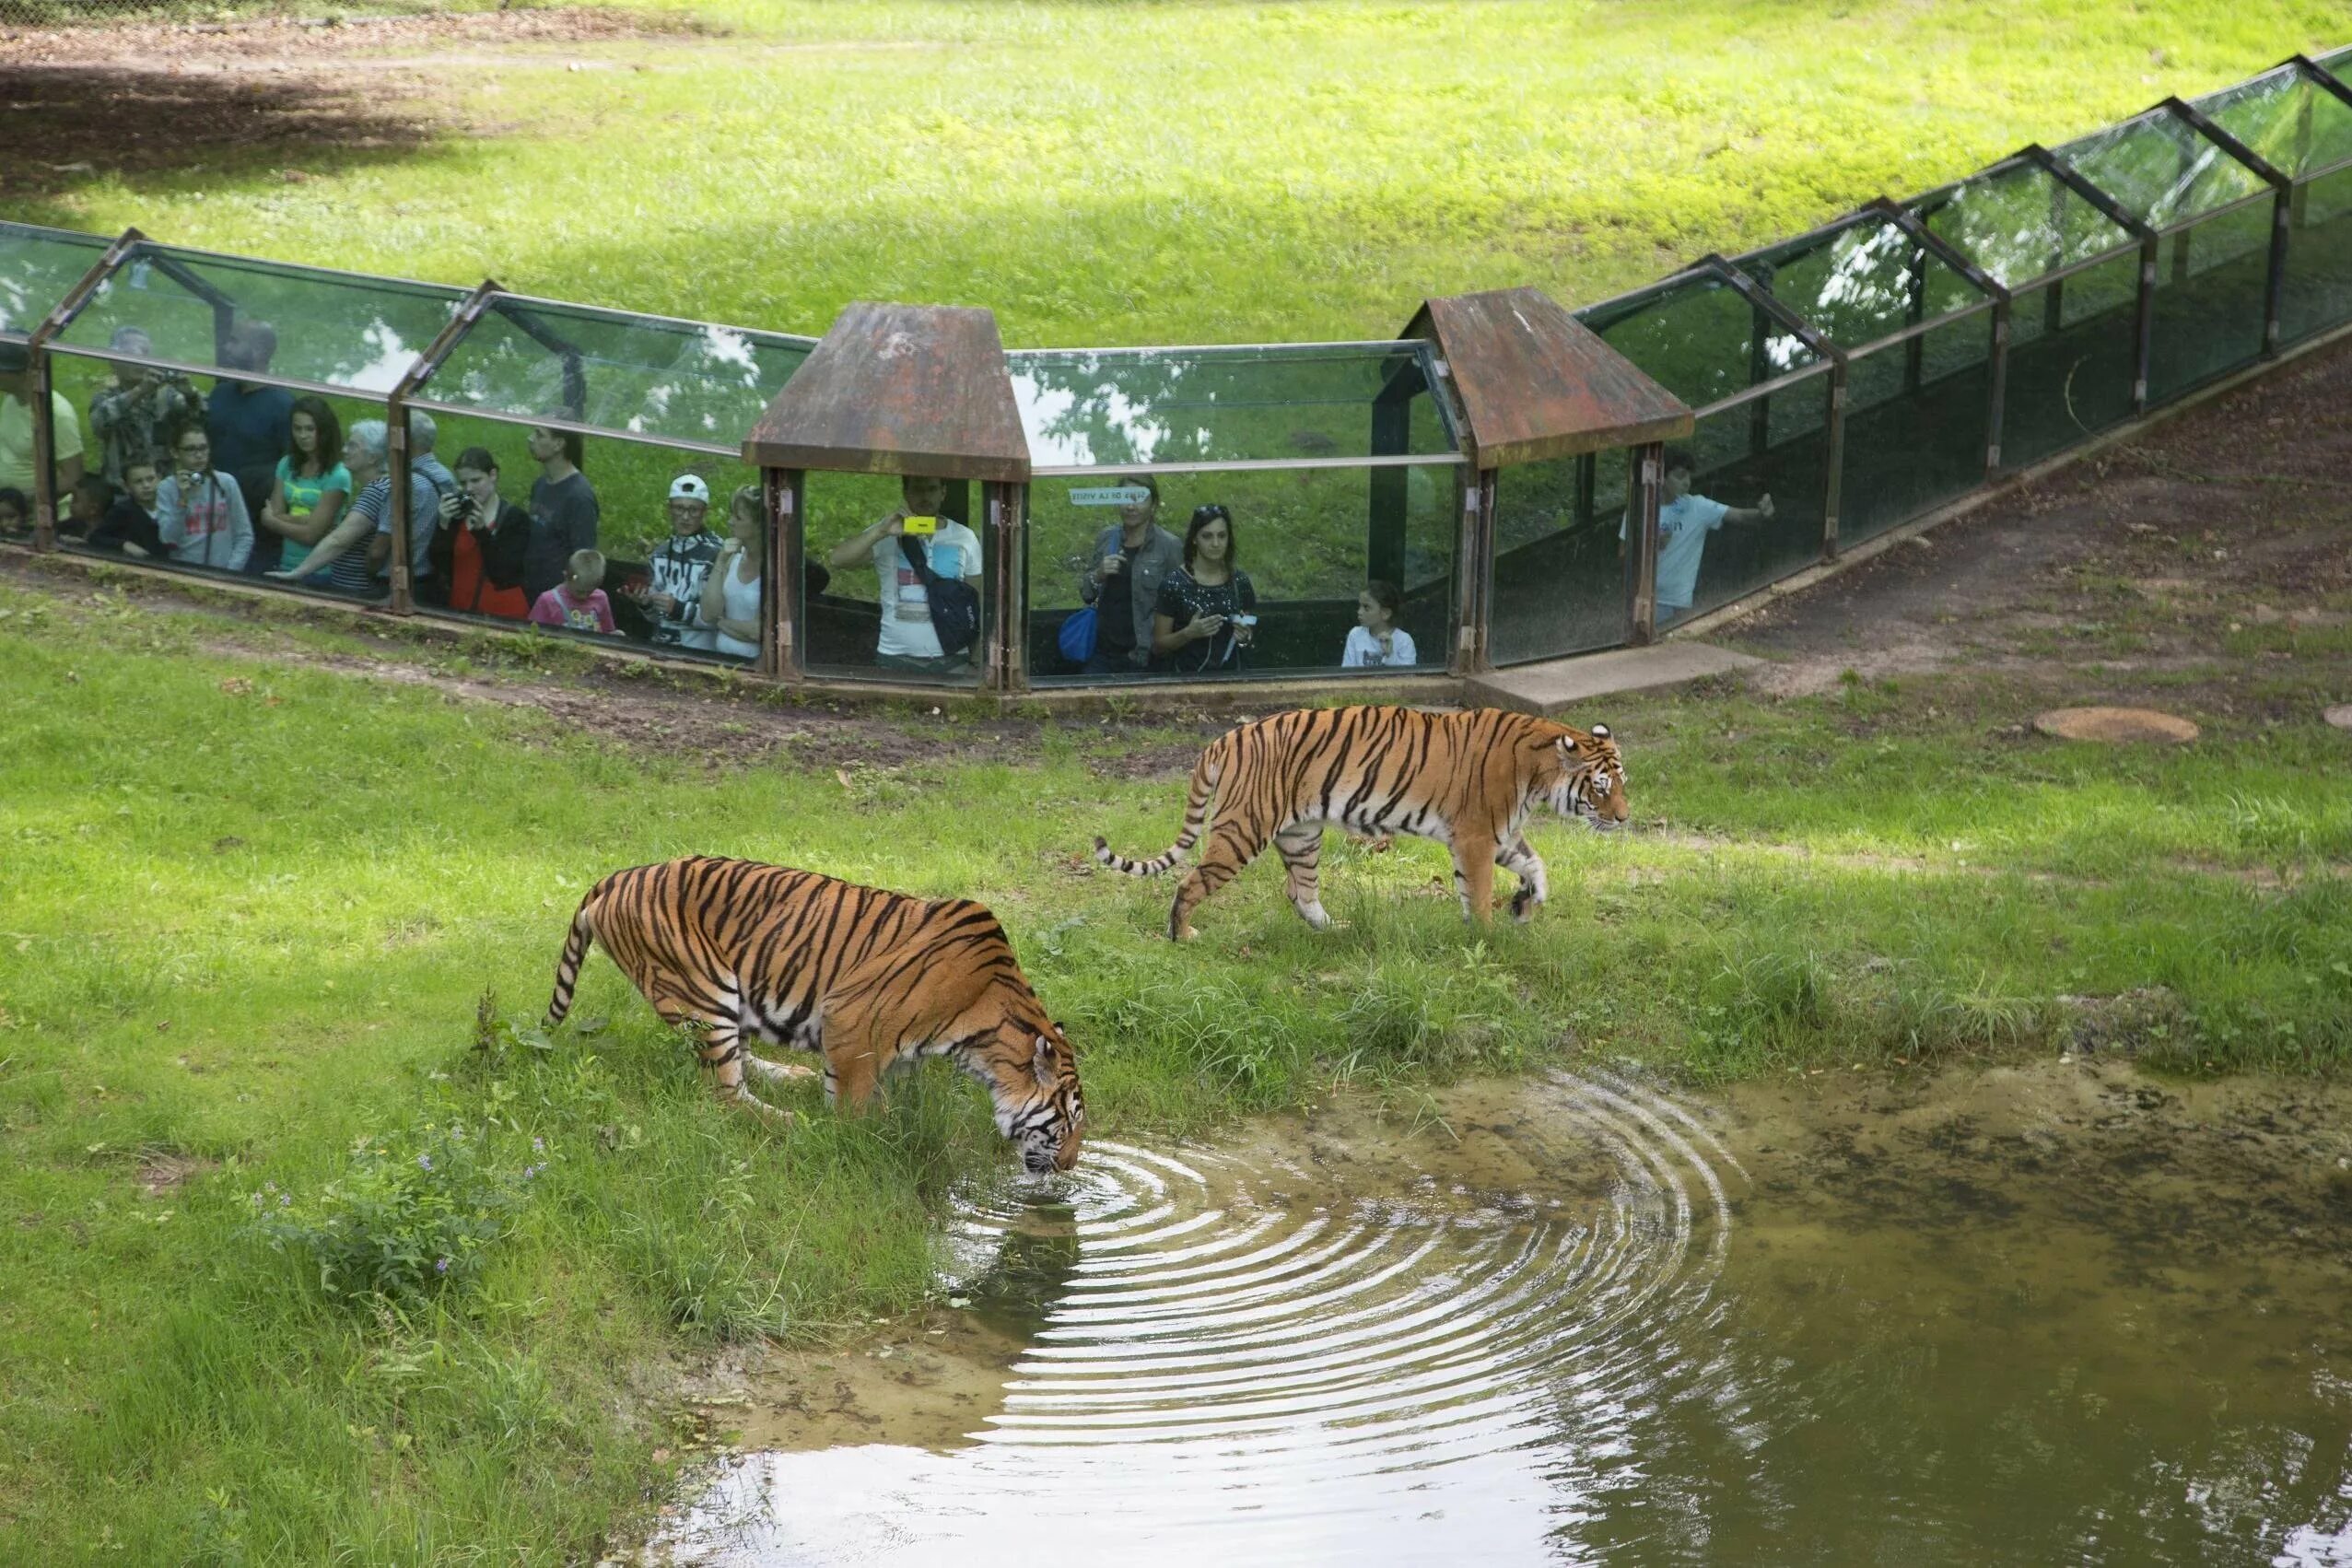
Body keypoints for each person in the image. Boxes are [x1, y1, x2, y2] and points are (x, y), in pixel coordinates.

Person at [826, 474, 982, 674]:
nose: (925, 496)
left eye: (932, 489)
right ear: (906, 494)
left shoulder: (964, 537)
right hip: (895, 657)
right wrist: (881, 531)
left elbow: (976, 603)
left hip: (953, 658)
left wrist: (976, 660)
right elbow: (838, 560)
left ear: (943, 493)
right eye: (917, 490)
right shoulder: (887, 533)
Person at [1620, 446, 1774, 626]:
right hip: (1642, 599)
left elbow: (1739, 516)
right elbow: (1624, 556)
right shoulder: (1639, 509)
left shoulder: (1697, 507)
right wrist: (1650, 545)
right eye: (1679, 476)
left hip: (1677, 603)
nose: (1686, 482)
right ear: (1660, 478)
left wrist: (1762, 514)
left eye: (1688, 476)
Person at [203, 320, 293, 573]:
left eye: (235, 341)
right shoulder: (221, 393)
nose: (226, 346)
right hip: (211, 511)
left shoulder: (282, 405)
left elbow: (289, 469)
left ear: (259, 352)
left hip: (256, 521)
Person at [1074, 473, 1183, 675]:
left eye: (1139, 498)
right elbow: (1087, 594)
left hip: (1147, 658)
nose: (1130, 506)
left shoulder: (1169, 546)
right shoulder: (1106, 538)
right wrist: (1098, 575)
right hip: (1103, 654)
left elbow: (1180, 603)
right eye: (1124, 498)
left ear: (1154, 505)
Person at [269, 420, 387, 595]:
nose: (344, 450)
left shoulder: (375, 491)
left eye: (353, 446)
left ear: (372, 458)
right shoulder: (380, 487)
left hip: (354, 590)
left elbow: (339, 541)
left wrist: (296, 573)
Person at [1151, 502, 1258, 675]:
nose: (1215, 543)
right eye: (1207, 536)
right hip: (1185, 681)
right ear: (1194, 538)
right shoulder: (1174, 584)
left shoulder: (1239, 582)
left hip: (1231, 679)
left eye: (1222, 536)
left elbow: (1249, 632)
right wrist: (1188, 633)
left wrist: (1245, 637)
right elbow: (1158, 645)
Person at [88, 329, 197, 491]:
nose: (139, 359)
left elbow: (199, 420)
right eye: (131, 353)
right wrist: (140, 391)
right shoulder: (104, 398)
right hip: (120, 494)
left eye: (144, 352)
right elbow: (99, 423)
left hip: (164, 492)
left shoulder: (167, 396)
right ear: (114, 361)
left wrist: (190, 394)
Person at [255, 396, 348, 579]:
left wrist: (276, 522)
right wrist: (309, 520)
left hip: (320, 571)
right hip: (284, 563)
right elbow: (276, 512)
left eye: (310, 429)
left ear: (323, 430)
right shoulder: (286, 464)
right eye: (297, 428)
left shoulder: (338, 474)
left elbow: (311, 536)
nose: (303, 435)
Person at [433, 446, 532, 619]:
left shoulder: (515, 518)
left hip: (503, 614)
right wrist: (443, 524)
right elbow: (439, 564)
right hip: (461, 610)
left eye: (476, 480)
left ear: (493, 475)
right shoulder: (459, 511)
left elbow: (504, 575)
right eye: (463, 483)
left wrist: (481, 532)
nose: (469, 489)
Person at [627, 473, 723, 650]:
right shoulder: (660, 554)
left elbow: (720, 618)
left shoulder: (717, 553)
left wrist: (678, 609)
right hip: (660, 648)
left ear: (705, 511)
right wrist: (646, 604)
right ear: (669, 509)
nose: (685, 517)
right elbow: (656, 617)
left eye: (693, 510)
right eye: (679, 508)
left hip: (701, 652)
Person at [155, 419, 253, 570]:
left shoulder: (226, 483)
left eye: (203, 448)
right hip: (184, 571)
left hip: (223, 572)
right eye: (190, 449)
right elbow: (168, 539)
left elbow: (244, 535)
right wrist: (182, 500)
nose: (199, 455)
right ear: (175, 452)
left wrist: (231, 571)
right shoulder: (166, 488)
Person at [522, 426, 600, 603]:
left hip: (558, 603)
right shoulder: (540, 484)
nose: (530, 438)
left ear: (558, 444)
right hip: (532, 595)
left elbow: (584, 562)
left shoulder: (580, 497)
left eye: (539, 434)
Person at [0, 340, 83, 500]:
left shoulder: (57, 414)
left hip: (40, 519)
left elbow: (73, 479)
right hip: (8, 516)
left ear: (25, 372)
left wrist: (19, 501)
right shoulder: (10, 398)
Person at [700, 485, 766, 661]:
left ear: (759, 526)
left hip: (755, 665)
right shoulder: (732, 557)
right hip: (720, 658)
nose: (730, 521)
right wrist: (720, 562)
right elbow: (708, 614)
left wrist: (721, 623)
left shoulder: (772, 568)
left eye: (738, 517)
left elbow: (758, 632)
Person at [530, 548, 616, 635]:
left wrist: (615, 635)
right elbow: (532, 632)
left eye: (589, 592)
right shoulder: (548, 600)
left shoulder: (601, 598)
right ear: (566, 576)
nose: (584, 596)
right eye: (579, 591)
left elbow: (607, 632)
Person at [88, 460, 165, 557]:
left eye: (150, 479)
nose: (146, 486)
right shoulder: (122, 511)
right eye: (138, 481)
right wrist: (124, 545)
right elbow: (96, 538)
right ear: (126, 486)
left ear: (159, 479)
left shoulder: (171, 507)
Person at [1341, 579, 1417, 669]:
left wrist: (1390, 655)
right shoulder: (1355, 635)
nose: (1359, 612)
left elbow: (1408, 678)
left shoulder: (1404, 641)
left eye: (1366, 607)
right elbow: (1346, 674)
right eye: (1359, 606)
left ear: (1385, 613)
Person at [61, 474, 111, 542]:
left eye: (75, 500)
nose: (71, 504)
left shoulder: (107, 533)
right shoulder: (69, 525)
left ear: (93, 509)